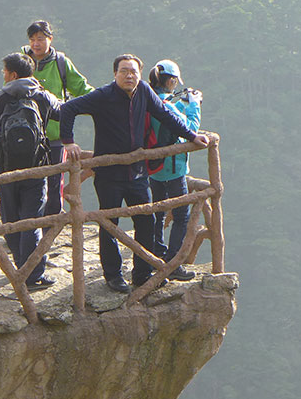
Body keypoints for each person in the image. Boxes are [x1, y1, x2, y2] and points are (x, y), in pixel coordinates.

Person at [60, 54, 209, 293]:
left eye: (134, 71)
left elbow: (166, 114)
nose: (130, 75)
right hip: (109, 174)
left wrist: (192, 136)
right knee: (110, 224)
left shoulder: (144, 92)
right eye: (124, 71)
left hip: (137, 172)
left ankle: (142, 273)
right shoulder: (104, 95)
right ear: (115, 74)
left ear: (140, 74)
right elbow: (68, 108)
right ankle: (113, 275)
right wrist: (68, 141)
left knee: (146, 222)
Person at [0, 53, 61, 289]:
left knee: (10, 218)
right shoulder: (42, 95)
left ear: (13, 74)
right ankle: (34, 274)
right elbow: (61, 112)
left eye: (5, 72)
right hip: (36, 167)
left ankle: (19, 266)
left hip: (7, 166)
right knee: (32, 221)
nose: (3, 75)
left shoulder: (0, 96)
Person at [23, 20, 93, 219]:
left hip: (55, 133)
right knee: (28, 181)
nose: (36, 44)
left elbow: (81, 88)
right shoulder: (22, 61)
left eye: (40, 39)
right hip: (28, 133)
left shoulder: (61, 63)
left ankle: (51, 225)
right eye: (32, 39)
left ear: (50, 39)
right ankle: (30, 224)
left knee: (55, 182)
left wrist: (103, 102)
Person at [147, 60, 202, 281]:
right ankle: (173, 264)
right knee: (181, 216)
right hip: (172, 167)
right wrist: (194, 105)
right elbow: (189, 128)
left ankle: (155, 255)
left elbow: (168, 116)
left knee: (158, 212)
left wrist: (182, 104)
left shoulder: (152, 99)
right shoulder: (165, 104)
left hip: (154, 167)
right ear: (170, 80)